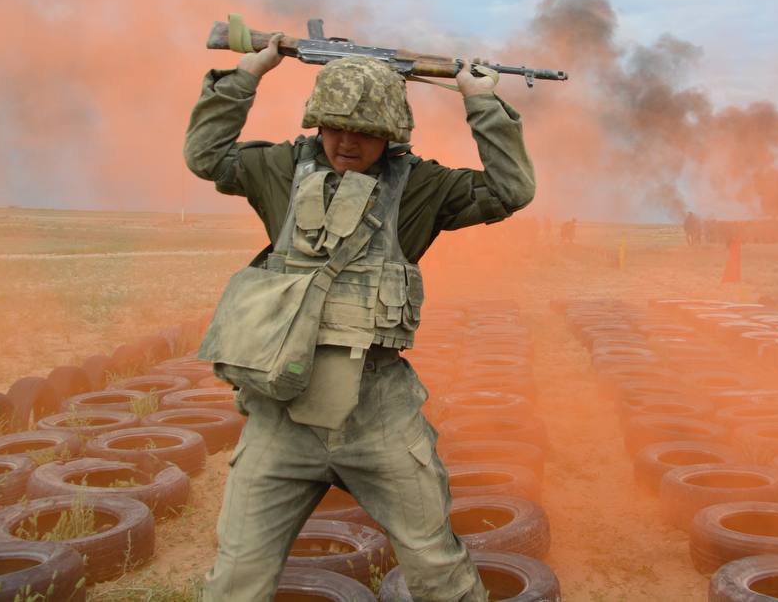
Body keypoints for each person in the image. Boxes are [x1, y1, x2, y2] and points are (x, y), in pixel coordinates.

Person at [183, 34, 535, 602]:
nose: (347, 142)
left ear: (390, 134)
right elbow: (206, 156)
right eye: (334, 127)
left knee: (436, 567)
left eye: (365, 131)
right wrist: (249, 71)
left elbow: (511, 189)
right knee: (237, 578)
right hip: (281, 415)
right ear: (317, 123)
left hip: (378, 414)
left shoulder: (420, 186)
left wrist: (481, 101)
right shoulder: (281, 169)